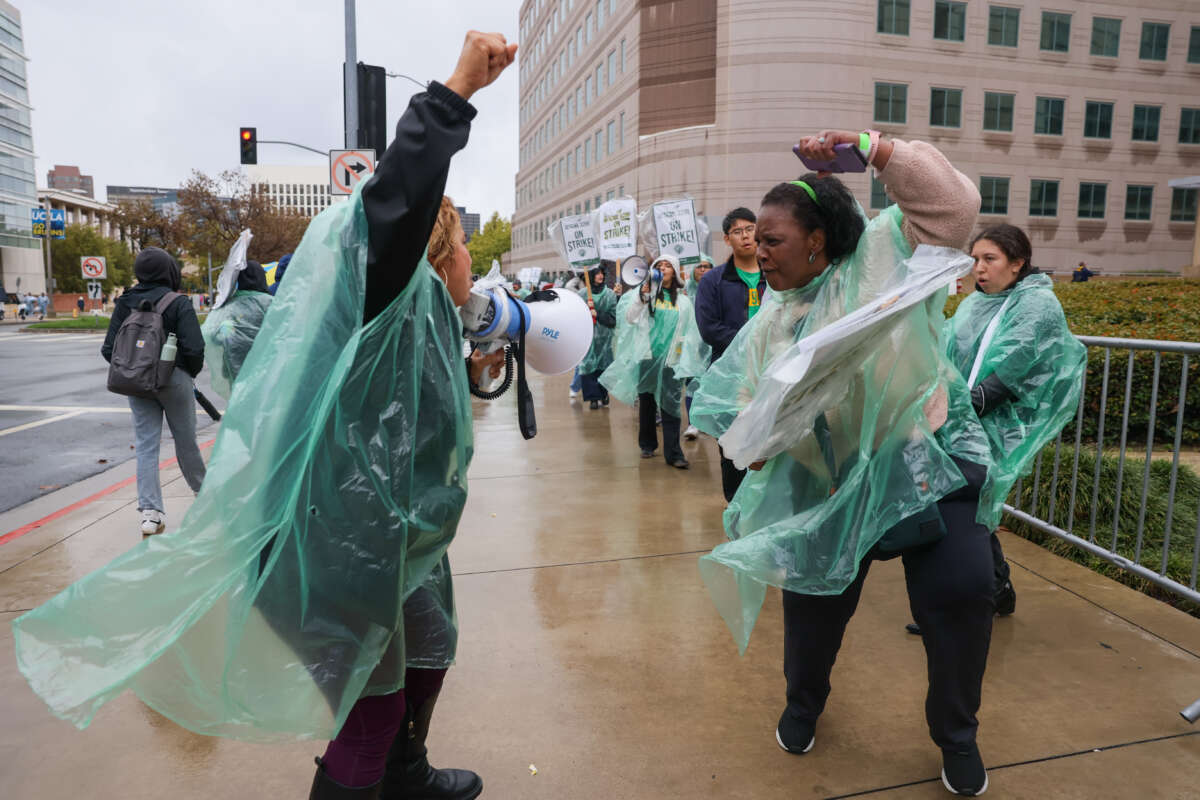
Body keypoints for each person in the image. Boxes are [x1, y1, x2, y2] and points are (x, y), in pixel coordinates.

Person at [13, 30, 515, 800]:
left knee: (431, 644)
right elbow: (394, 205)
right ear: (436, 253)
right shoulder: (383, 293)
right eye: (465, 253)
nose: (471, 268)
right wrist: (455, 92)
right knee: (369, 712)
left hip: (388, 535)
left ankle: (407, 775)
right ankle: (380, 770)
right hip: (338, 543)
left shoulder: (417, 323)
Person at [691, 129, 997, 796]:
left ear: (817, 241)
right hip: (827, 485)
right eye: (755, 240)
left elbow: (955, 208)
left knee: (963, 594)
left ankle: (957, 736)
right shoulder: (770, 322)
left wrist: (877, 150)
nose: (757, 253)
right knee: (812, 609)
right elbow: (742, 421)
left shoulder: (880, 257)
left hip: (922, 464)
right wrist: (770, 426)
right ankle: (803, 704)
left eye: (772, 240)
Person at [907, 225, 1086, 638]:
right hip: (959, 422)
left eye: (990, 259)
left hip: (997, 427)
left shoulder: (1036, 305)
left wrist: (954, 405)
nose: (979, 269)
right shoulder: (977, 304)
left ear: (1017, 262)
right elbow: (948, 355)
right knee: (971, 518)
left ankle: (965, 606)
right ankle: (991, 590)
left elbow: (1006, 375)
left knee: (968, 517)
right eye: (975, 259)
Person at [101, 247, 207, 535]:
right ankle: (205, 497)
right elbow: (195, 348)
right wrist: (186, 373)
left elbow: (109, 348)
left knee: (146, 445)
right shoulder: (178, 302)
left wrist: (135, 369)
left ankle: (150, 513)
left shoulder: (125, 302)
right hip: (174, 380)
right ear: (168, 270)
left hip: (137, 383)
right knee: (185, 442)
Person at [696, 208, 767, 501]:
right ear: (727, 239)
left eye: (750, 228)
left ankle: (763, 504)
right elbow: (709, 328)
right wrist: (749, 343)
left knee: (768, 441)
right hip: (730, 377)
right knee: (731, 444)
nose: (746, 236)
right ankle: (735, 505)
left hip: (769, 373)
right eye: (738, 231)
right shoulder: (714, 280)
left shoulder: (774, 273)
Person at [602, 252, 693, 469]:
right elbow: (630, 318)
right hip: (648, 357)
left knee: (671, 404)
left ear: (675, 271)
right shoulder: (644, 295)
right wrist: (643, 298)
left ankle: (674, 453)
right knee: (647, 402)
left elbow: (689, 331)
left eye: (667, 265)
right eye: (658, 265)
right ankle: (647, 444)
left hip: (672, 360)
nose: (662, 268)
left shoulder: (683, 301)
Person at [201, 259, 274, 400]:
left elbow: (212, 335)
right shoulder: (269, 303)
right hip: (265, 370)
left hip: (234, 372)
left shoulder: (227, 306)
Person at [578, 263, 616, 409]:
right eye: (597, 273)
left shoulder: (609, 294)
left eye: (602, 273)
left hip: (605, 338)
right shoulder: (581, 295)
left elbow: (613, 319)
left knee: (604, 367)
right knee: (588, 367)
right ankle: (593, 398)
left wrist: (598, 315)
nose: (600, 276)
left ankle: (603, 393)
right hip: (587, 337)